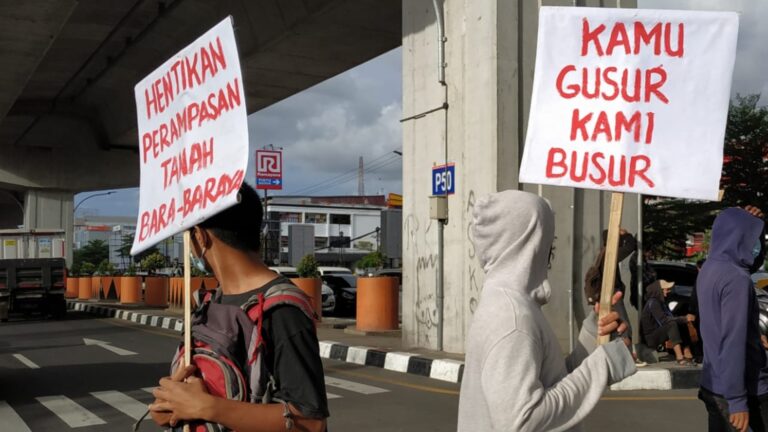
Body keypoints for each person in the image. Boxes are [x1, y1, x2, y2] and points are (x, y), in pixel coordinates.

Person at [148, 184, 329, 432]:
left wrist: (207, 407)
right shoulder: (211, 303)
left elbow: (311, 422)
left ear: (200, 237)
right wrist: (170, 406)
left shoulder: (282, 310)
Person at [457, 190, 636, 432]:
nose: (550, 250)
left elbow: (551, 383)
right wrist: (603, 365)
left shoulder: (509, 302)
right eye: (546, 240)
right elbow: (523, 422)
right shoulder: (512, 320)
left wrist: (595, 333)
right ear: (527, 243)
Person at [698, 206, 767, 432]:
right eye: (751, 237)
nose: (753, 243)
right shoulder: (736, 279)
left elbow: (748, 262)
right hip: (743, 388)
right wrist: (737, 400)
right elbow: (733, 341)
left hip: (714, 383)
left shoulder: (710, 268)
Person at [584, 228, 644, 366]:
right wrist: (626, 235)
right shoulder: (610, 254)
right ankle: (627, 360)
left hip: (605, 295)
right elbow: (630, 247)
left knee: (612, 328)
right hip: (611, 295)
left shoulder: (602, 254)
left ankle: (619, 359)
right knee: (624, 328)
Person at [640, 279, 696, 366]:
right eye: (666, 289)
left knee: (680, 322)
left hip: (658, 332)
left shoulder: (661, 302)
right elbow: (664, 321)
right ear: (659, 290)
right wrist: (684, 318)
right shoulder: (653, 302)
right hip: (650, 338)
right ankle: (679, 356)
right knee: (671, 324)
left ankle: (687, 352)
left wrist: (683, 319)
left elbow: (671, 318)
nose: (668, 291)